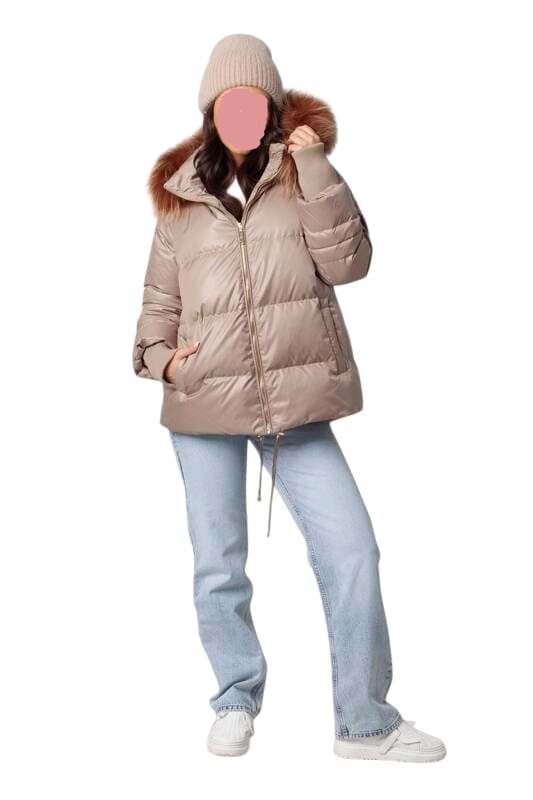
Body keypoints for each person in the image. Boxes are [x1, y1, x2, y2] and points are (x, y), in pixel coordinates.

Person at [132, 33, 446, 762]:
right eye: (227, 102)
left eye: (253, 101)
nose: (240, 114)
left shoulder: (302, 173)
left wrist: (315, 165)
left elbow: (350, 262)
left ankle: (364, 722)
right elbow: (155, 308)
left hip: (294, 405)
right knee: (218, 565)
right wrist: (163, 363)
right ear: (211, 111)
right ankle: (234, 698)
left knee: (352, 551)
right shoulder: (179, 199)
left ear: (272, 107)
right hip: (204, 404)